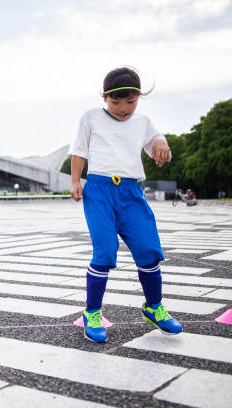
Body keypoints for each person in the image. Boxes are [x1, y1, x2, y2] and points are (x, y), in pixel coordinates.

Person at [70, 67, 182, 343]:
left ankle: (154, 308)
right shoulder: (91, 117)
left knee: (148, 249)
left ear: (138, 98)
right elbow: (79, 152)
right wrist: (75, 182)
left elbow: (156, 141)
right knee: (105, 251)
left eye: (130, 102)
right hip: (99, 191)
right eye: (115, 102)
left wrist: (162, 143)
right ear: (104, 97)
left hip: (131, 192)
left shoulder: (143, 121)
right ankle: (92, 313)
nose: (123, 108)